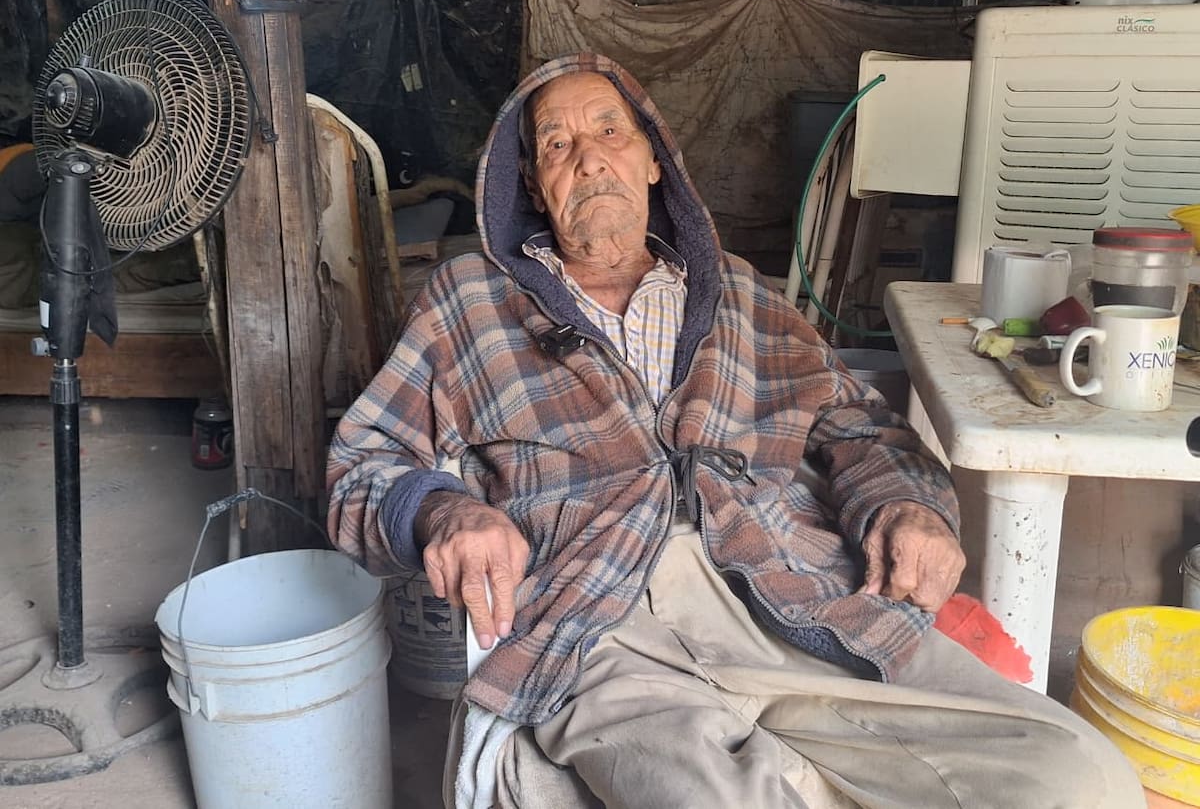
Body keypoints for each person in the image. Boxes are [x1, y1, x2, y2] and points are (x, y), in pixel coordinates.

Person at [326, 53, 1145, 809]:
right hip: (600, 628)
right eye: (556, 145)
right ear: (535, 190)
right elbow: (362, 464)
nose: (589, 159)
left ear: (654, 160)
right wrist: (441, 510)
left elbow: (861, 428)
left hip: (791, 592)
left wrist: (906, 506)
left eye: (610, 131)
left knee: (1080, 778)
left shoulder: (744, 296)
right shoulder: (467, 301)